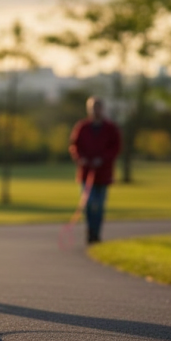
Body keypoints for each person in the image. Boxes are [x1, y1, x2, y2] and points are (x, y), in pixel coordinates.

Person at [69, 97, 121, 244]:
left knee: (99, 206)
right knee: (88, 204)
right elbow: (74, 146)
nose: (95, 111)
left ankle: (96, 233)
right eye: (92, 108)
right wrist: (81, 159)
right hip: (86, 173)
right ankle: (90, 231)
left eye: (97, 107)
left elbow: (116, 147)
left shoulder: (110, 128)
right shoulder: (82, 127)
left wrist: (103, 159)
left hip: (103, 174)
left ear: (102, 109)